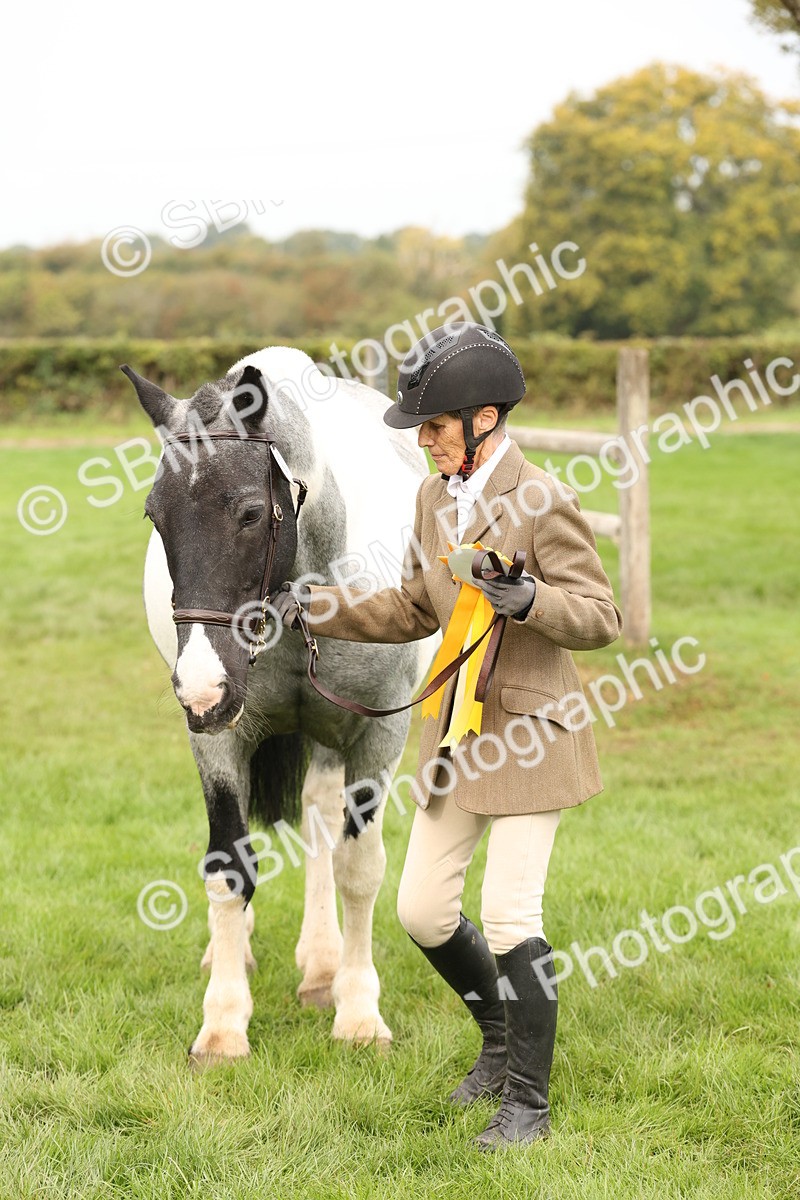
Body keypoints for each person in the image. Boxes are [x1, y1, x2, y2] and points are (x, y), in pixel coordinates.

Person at [273, 322, 622, 1150]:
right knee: (422, 912)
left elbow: (602, 618)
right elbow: (412, 609)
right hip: (457, 733)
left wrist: (530, 600)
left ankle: (527, 1106)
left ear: (485, 419)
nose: (424, 443)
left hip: (532, 734)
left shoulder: (545, 500)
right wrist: (315, 607)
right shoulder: (433, 501)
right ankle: (498, 1048)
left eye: (433, 427)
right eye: (423, 430)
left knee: (508, 916)